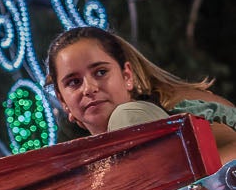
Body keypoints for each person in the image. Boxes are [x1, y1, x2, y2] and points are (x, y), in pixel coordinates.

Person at [46, 26, 236, 153]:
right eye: (73, 82)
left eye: (101, 72)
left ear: (127, 76)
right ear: (63, 101)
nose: (89, 88)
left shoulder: (135, 115)